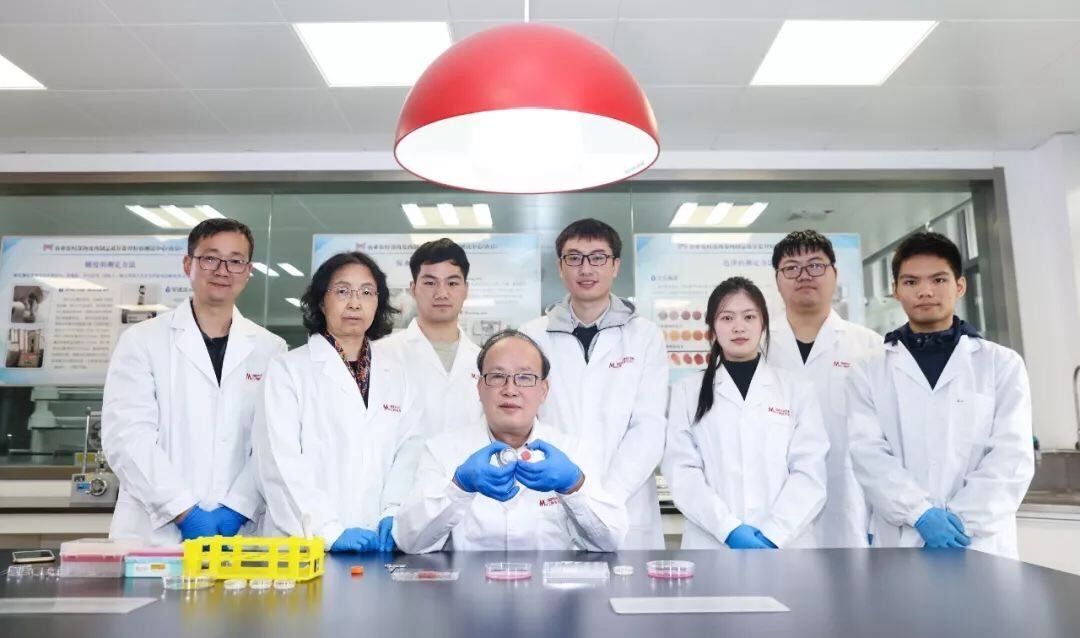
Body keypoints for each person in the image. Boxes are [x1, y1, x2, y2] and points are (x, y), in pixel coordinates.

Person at [848, 232, 1034, 557]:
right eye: (911, 282)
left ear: (959, 286)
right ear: (895, 290)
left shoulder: (1001, 364)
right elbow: (868, 454)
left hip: (979, 541)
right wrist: (920, 515)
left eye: (938, 279)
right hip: (903, 538)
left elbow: (1012, 457)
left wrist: (958, 522)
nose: (925, 291)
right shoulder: (868, 369)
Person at [102, 218, 286, 544]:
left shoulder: (271, 349)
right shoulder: (142, 341)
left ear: (247, 270)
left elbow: (274, 442)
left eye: (235, 261)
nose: (222, 269)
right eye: (210, 258)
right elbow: (127, 438)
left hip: (238, 529)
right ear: (189, 264)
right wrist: (183, 510)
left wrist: (238, 507)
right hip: (156, 534)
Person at [393, 330, 627, 552]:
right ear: (480, 387)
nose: (510, 389)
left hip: (549, 591)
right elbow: (409, 541)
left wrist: (574, 486)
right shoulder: (442, 450)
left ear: (543, 390)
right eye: (497, 377)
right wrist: (459, 487)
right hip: (468, 590)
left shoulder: (573, 451)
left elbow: (611, 540)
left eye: (525, 378)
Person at [253, 251, 421, 553]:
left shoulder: (399, 371)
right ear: (321, 301)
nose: (355, 303)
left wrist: (392, 510)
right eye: (342, 291)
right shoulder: (288, 369)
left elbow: (409, 448)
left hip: (376, 541)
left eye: (367, 292)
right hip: (305, 543)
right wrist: (327, 530)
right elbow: (279, 461)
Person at [521, 218, 666, 549]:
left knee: (626, 598)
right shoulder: (532, 335)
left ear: (615, 266)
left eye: (598, 257)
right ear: (560, 267)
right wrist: (572, 491)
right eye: (574, 257)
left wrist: (601, 499)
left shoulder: (644, 336)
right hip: (551, 501)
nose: (586, 268)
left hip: (624, 504)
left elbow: (649, 427)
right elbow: (526, 421)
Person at [662, 276, 829, 549]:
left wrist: (774, 534)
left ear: (763, 324)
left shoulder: (797, 389)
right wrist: (729, 530)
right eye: (727, 318)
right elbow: (683, 473)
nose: (739, 327)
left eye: (749, 317)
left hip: (785, 544)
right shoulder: (686, 392)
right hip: (714, 542)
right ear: (712, 328)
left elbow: (809, 472)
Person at [767, 230, 883, 548]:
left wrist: (878, 517)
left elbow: (886, 439)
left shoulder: (870, 347)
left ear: (835, 273)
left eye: (816, 265)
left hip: (850, 505)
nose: (804, 275)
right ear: (777, 280)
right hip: (774, 508)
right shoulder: (757, 345)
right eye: (791, 268)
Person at [378, 238, 482, 437]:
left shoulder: (483, 362)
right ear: (413, 288)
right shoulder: (381, 354)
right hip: (403, 469)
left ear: (466, 289)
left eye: (452, 283)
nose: (441, 293)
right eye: (429, 282)